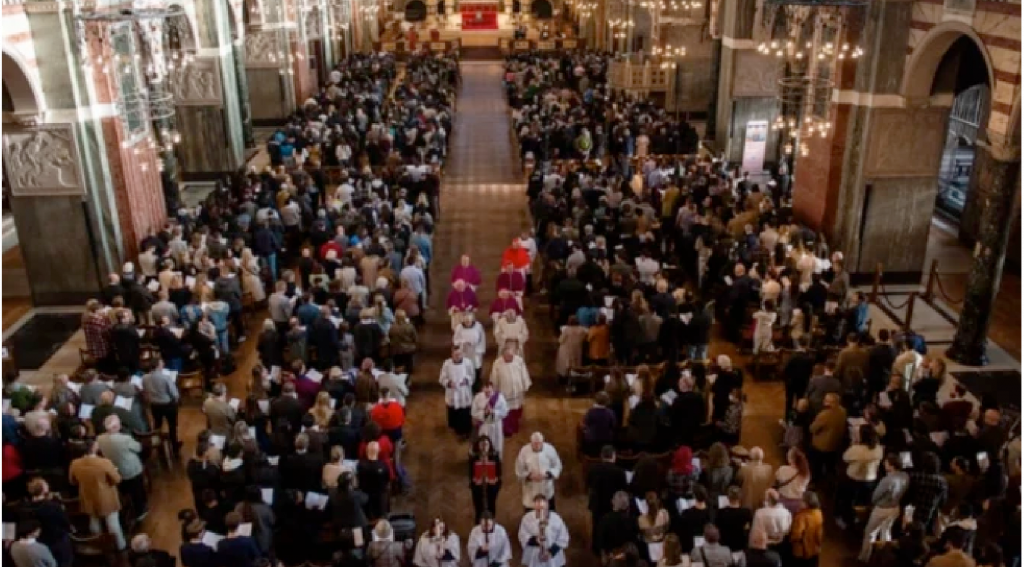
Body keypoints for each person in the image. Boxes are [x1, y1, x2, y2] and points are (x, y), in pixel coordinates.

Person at [68, 439, 126, 550]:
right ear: (94, 448)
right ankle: (120, 546)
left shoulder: (74, 463)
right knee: (112, 524)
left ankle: (98, 546)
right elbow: (117, 479)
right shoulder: (104, 462)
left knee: (94, 522)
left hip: (87, 496)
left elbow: (72, 481)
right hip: (106, 497)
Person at [860, 453, 910, 563]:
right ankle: (884, 557)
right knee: (886, 531)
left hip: (882, 509)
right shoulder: (905, 476)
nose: (884, 464)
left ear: (892, 465)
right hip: (895, 508)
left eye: (886, 463)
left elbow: (876, 496)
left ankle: (864, 557)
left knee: (870, 532)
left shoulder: (887, 480)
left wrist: (873, 503)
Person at [97, 415, 147, 520]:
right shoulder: (125, 439)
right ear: (116, 427)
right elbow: (138, 448)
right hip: (131, 470)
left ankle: (128, 508)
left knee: (125, 490)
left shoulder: (100, 438)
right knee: (137, 491)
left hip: (116, 470)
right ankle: (140, 511)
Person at [490, 348, 533, 436]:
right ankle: (507, 429)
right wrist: (495, 390)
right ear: (503, 355)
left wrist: (525, 385)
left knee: (516, 410)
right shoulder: (497, 363)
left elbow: (524, 373)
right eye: (508, 356)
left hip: (517, 391)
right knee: (506, 411)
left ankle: (515, 426)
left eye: (511, 356)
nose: (510, 358)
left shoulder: (519, 361)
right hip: (505, 391)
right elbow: (494, 378)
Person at [514, 433, 563, 511]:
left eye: (539, 443)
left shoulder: (550, 449)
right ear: (531, 443)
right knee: (531, 513)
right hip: (531, 490)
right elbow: (519, 470)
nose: (537, 446)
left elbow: (557, 466)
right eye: (535, 444)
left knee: (549, 512)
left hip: (546, 488)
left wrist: (548, 474)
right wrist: (529, 476)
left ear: (543, 442)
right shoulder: (524, 451)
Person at [143, 358, 182, 454]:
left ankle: (159, 448)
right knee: (172, 426)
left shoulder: (145, 378)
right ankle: (174, 447)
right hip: (168, 405)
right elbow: (175, 394)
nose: (163, 364)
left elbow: (145, 391)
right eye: (162, 363)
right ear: (158, 365)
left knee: (157, 426)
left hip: (155, 405)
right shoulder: (165, 378)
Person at [519, 495, 570, 567]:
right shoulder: (527, 518)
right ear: (534, 507)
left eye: (543, 508)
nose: (541, 512)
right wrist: (535, 540)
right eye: (538, 510)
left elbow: (563, 538)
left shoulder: (556, 518)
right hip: (534, 557)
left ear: (548, 505)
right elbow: (523, 536)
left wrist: (551, 552)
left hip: (553, 558)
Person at [440, 346, 477, 439]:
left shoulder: (468, 363)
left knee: (464, 413)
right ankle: (456, 429)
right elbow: (442, 378)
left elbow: (472, 376)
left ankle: (465, 431)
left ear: (463, 354)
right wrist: (449, 383)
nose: (458, 356)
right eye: (455, 354)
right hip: (452, 393)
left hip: (464, 393)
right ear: (452, 354)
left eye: (459, 354)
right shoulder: (447, 364)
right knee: (454, 413)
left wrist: (467, 380)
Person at [596, 491, 639, 561]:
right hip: (628, 557)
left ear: (613, 502)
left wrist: (604, 556)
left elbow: (600, 541)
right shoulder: (632, 520)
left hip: (612, 557)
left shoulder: (605, 519)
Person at [469, 435, 502, 523]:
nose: (484, 447)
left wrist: (493, 480)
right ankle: (478, 524)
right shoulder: (474, 458)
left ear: (489, 445)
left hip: (492, 486)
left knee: (491, 505)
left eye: (486, 444)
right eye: (482, 445)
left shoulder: (494, 457)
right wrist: (476, 481)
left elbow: (499, 474)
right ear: (478, 446)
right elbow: (471, 475)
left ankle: (491, 522)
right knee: (478, 507)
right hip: (478, 487)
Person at [790, 492, 824, 567]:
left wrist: (791, 539)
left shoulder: (801, 516)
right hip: (814, 548)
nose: (799, 502)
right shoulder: (818, 513)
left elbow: (797, 534)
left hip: (802, 551)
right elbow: (819, 533)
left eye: (802, 500)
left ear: (807, 503)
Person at [717, 486, 754, 553]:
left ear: (728, 498)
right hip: (741, 547)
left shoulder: (721, 512)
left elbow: (717, 529)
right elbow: (749, 529)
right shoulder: (746, 512)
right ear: (740, 498)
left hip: (724, 547)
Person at [453, 313, 487, 385]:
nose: (467, 323)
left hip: (475, 352)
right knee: (465, 368)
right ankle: (466, 385)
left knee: (476, 368)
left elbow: (482, 339)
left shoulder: (478, 326)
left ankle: (476, 385)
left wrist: (479, 349)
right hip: (464, 351)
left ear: (472, 320)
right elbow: (455, 340)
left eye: (469, 321)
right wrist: (463, 342)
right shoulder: (459, 327)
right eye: (466, 321)